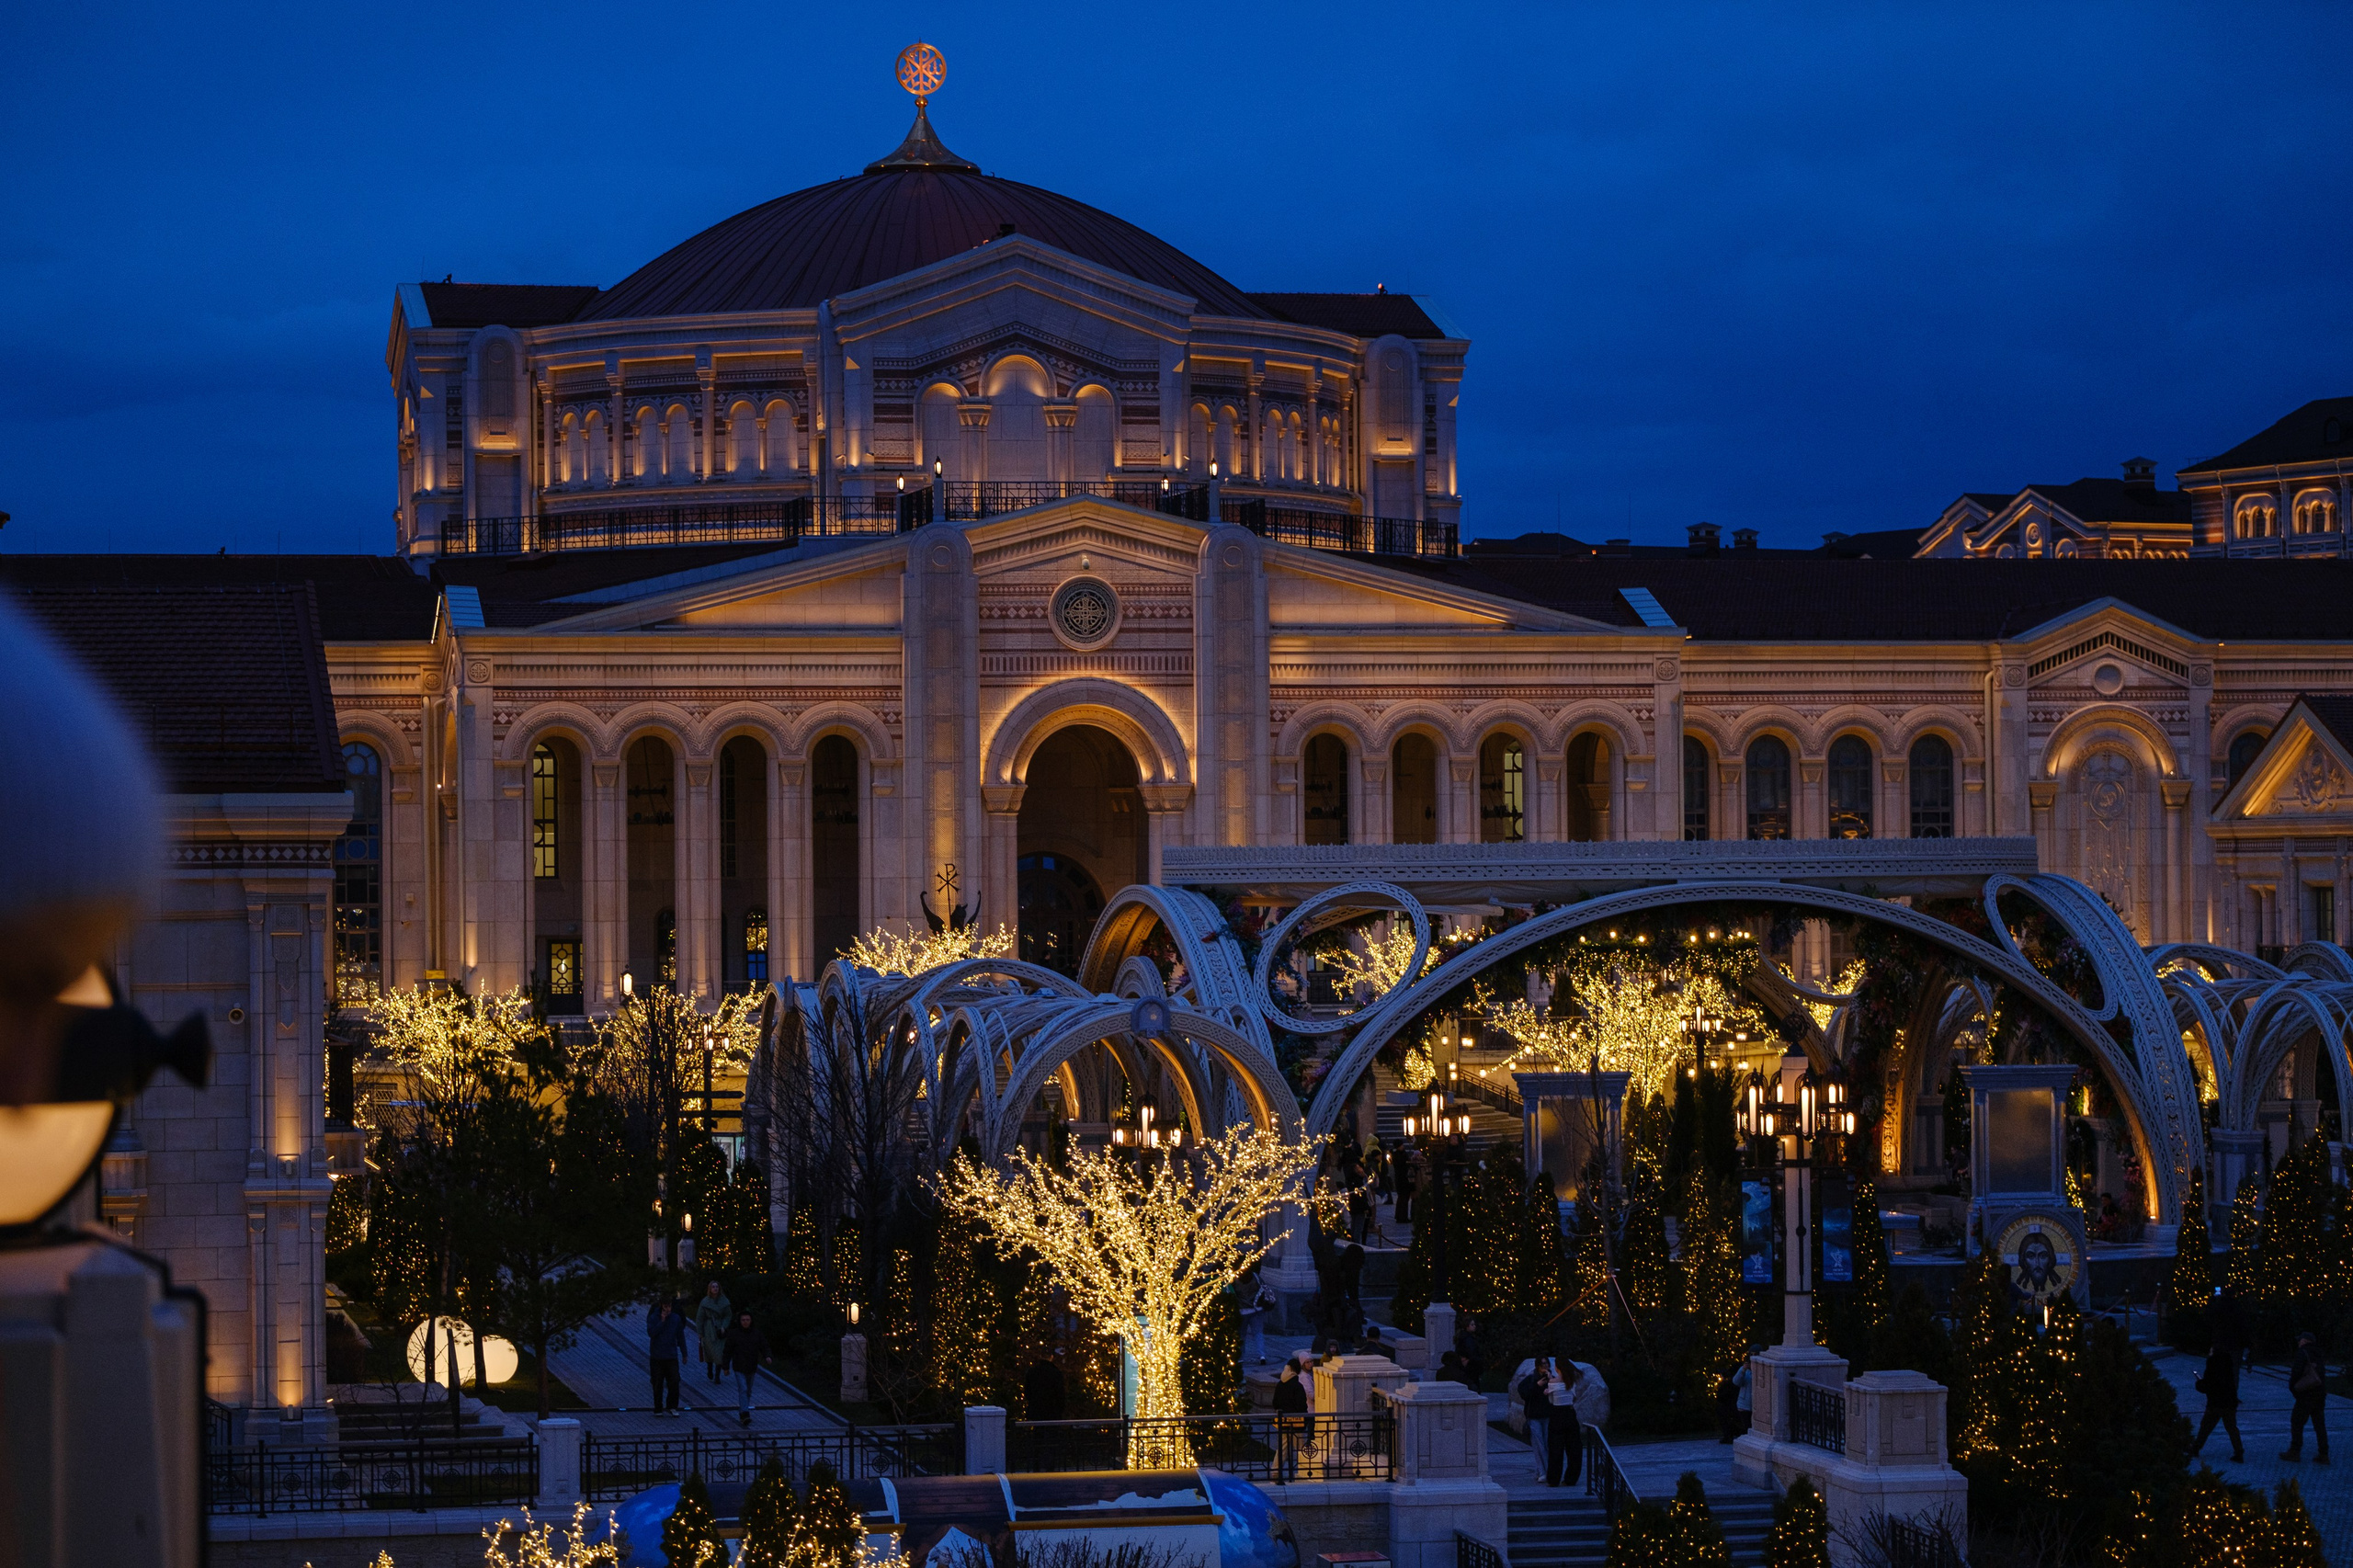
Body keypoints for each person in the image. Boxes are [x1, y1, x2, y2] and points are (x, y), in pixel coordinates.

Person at [2190, 1337, 2244, 1462]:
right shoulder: (2227, 1362)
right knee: (2232, 1428)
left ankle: (2196, 1448)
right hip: (2229, 1401)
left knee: (2206, 1426)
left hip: (2215, 1402)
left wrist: (2199, 1384)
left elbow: (2210, 1384)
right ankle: (2239, 1451)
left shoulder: (2212, 1363)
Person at [2283, 1331, 2330, 1463]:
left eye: (2300, 1340)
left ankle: (2294, 1452)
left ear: (2305, 1341)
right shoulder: (2319, 1353)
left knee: (2297, 1422)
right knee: (2319, 1424)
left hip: (2306, 1394)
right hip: (2320, 1394)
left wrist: (2293, 1388)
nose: (2298, 1342)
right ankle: (2324, 1453)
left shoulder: (2302, 1353)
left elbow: (2296, 1372)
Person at [720, 1308, 768, 1426]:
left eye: (747, 1320)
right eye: (743, 1320)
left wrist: (767, 1356)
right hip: (739, 1367)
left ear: (751, 1321)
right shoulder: (734, 1334)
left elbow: (764, 1346)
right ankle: (744, 1413)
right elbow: (727, 1351)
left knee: (748, 1390)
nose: (745, 1322)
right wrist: (725, 1366)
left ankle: (744, 1407)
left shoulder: (756, 1334)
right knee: (743, 1389)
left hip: (751, 1367)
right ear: (739, 1321)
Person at [645, 1298, 688, 1415]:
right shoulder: (654, 1318)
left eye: (669, 1307)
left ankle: (672, 1406)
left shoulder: (675, 1318)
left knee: (674, 1381)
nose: (668, 1310)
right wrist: (662, 1322)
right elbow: (651, 1333)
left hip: (671, 1355)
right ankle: (658, 1408)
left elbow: (680, 1336)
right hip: (657, 1356)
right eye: (665, 1307)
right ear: (661, 1306)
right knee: (657, 1383)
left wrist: (684, 1353)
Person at [1546, 1363, 1584, 1487]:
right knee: (1573, 1448)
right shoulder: (1571, 1382)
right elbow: (1573, 1399)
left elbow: (1551, 1401)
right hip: (1570, 1414)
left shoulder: (1552, 1382)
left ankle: (1553, 1479)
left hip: (1557, 1415)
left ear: (1557, 1368)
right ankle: (1571, 1478)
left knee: (1556, 1448)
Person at [1273, 1358, 1310, 1481]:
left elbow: (1275, 1403)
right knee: (1300, 1447)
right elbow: (1301, 1405)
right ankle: (1305, 1470)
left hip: (1283, 1421)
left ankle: (1275, 1472)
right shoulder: (1297, 1386)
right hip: (1297, 1422)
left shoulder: (1280, 1384)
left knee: (1282, 1448)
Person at [695, 1278, 733, 1386]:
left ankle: (717, 1375)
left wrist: (724, 1326)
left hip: (720, 1330)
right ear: (710, 1289)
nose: (715, 1289)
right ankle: (709, 1368)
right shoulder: (705, 1302)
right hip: (708, 1329)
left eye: (716, 1287)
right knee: (709, 1351)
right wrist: (700, 1331)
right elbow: (700, 1317)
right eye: (713, 1287)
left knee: (719, 1353)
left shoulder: (724, 1301)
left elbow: (728, 1315)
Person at [1519, 1356, 1553, 1463]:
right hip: (1534, 1416)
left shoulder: (1552, 1379)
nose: (1545, 1366)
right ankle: (1544, 1471)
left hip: (1547, 1415)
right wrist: (1537, 1385)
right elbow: (1524, 1394)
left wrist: (1551, 1379)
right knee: (1539, 1444)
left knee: (1547, 1443)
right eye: (1542, 1364)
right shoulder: (1531, 1379)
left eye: (1546, 1363)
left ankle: (1543, 1471)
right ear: (1538, 1366)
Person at [1242, 1273, 1275, 1364]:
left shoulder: (1235, 1280)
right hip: (1257, 1309)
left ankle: (1240, 1356)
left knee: (1242, 1335)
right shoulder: (1255, 1276)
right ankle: (1262, 1355)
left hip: (1242, 1310)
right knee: (1258, 1334)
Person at [1023, 1357, 1068, 1422]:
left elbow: (1027, 1393)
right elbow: (1060, 1394)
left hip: (1036, 1411)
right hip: (1053, 1412)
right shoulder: (1056, 1373)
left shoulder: (1032, 1372)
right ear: (1051, 1357)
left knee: (1038, 1430)